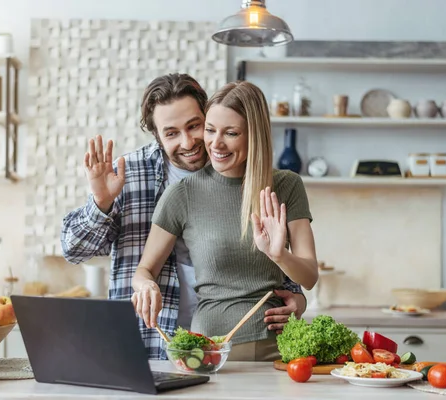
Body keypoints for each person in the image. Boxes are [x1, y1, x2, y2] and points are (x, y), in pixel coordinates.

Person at [61, 74, 307, 360]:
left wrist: (293, 295)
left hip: (227, 341)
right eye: (171, 133)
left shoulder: (248, 173)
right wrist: (101, 202)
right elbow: (74, 250)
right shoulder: (128, 175)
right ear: (156, 135)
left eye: (195, 126)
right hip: (150, 341)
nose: (189, 142)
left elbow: (261, 260)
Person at [131, 80, 319, 361]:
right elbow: (144, 269)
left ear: (253, 135)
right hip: (209, 350)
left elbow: (310, 276)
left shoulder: (287, 185)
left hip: (277, 348)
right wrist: (146, 286)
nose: (215, 144)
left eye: (230, 133)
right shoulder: (183, 194)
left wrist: (278, 255)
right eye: (210, 130)